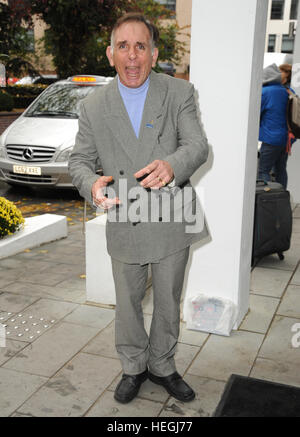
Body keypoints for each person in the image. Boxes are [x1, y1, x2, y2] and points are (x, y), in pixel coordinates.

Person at [69, 13, 209, 404]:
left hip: (172, 213)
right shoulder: (93, 105)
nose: (133, 57)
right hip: (124, 214)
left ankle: (163, 365)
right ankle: (133, 367)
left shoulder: (179, 93)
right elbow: (79, 160)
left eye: (141, 46)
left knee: (168, 298)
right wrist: (89, 183)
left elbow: (197, 145)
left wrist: (172, 165)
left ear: (154, 53)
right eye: (124, 47)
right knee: (127, 302)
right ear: (110, 54)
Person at [258, 63, 293, 189]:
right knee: (281, 170)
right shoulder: (286, 90)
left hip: (270, 138)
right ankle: (282, 198)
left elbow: (256, 115)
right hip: (285, 139)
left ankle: (267, 201)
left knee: (263, 171)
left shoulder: (264, 92)